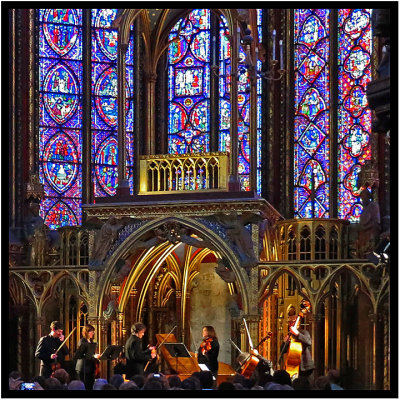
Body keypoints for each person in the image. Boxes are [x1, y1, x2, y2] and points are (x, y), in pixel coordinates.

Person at [74, 324, 101, 389]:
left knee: (90, 385)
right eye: (91, 331)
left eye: (93, 331)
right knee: (84, 386)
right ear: (86, 332)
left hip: (90, 368)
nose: (93, 333)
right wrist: (94, 356)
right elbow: (80, 355)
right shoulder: (82, 341)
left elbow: (91, 353)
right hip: (83, 368)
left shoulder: (91, 341)